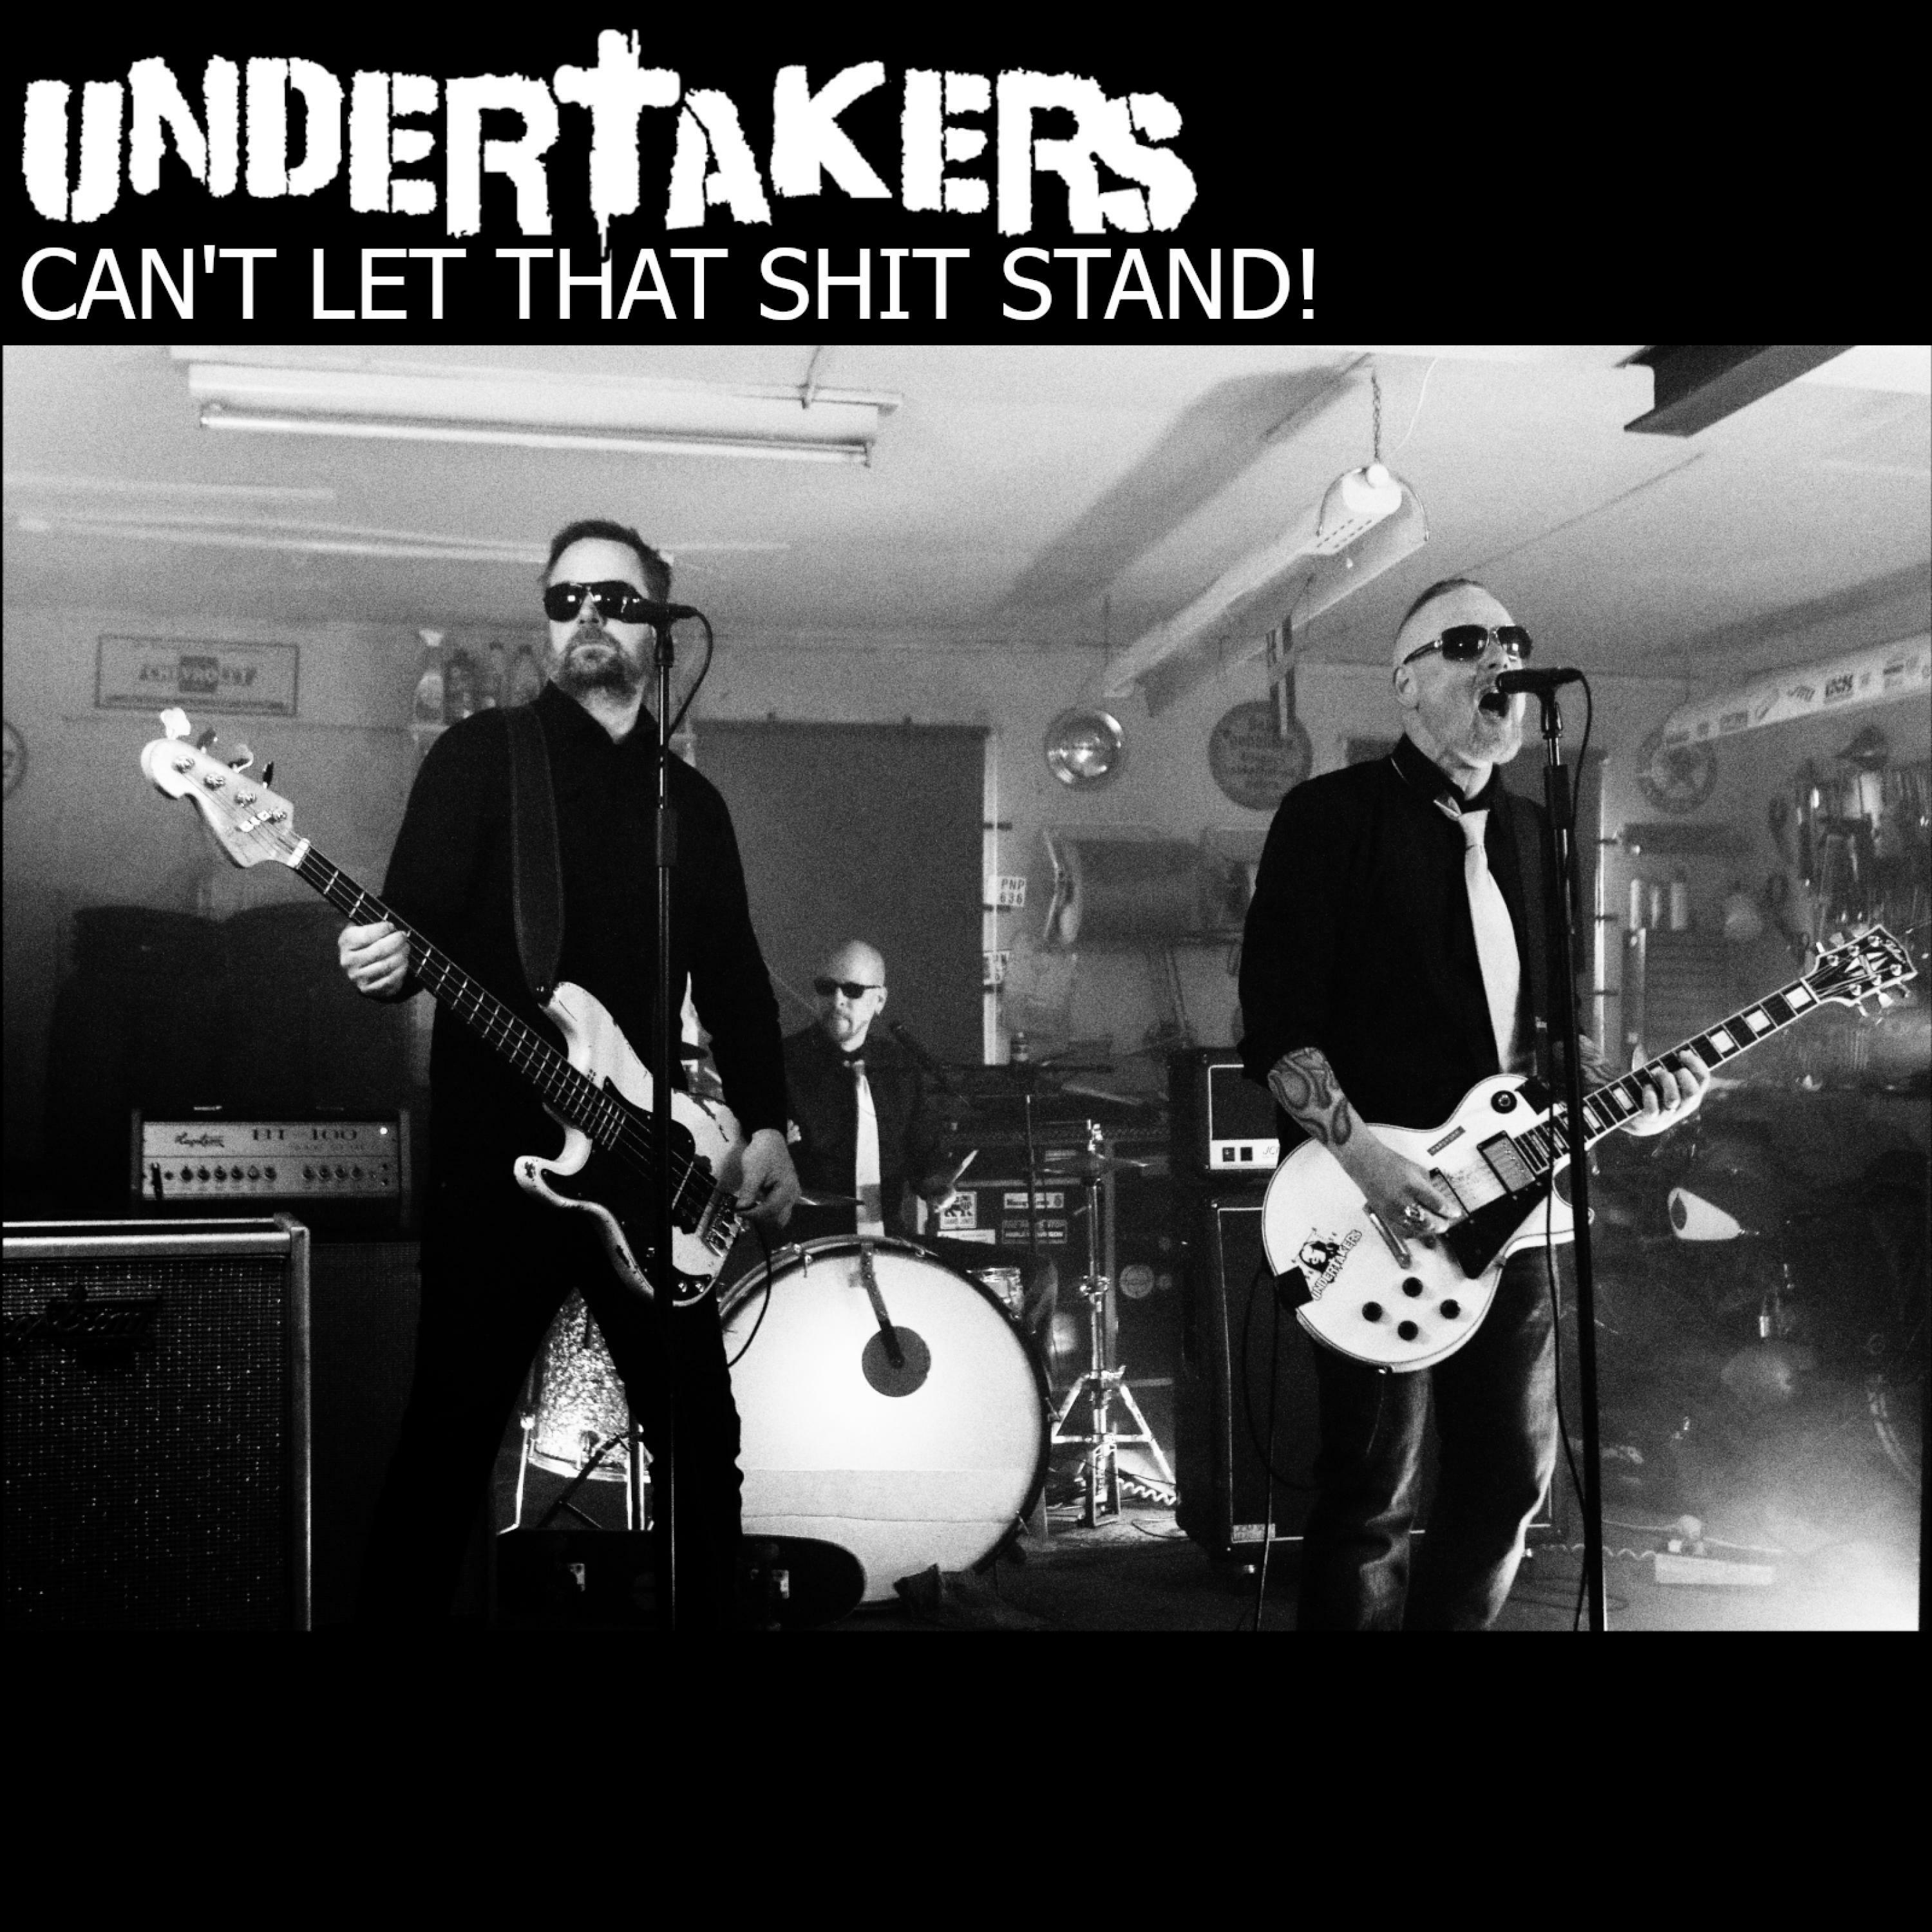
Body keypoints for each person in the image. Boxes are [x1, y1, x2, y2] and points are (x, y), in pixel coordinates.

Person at [337, 518, 799, 1628]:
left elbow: (735, 974)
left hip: (650, 1164)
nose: (585, 616)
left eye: (613, 598)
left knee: (704, 1445)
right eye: (564, 599)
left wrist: (769, 1126)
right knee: (446, 1444)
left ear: (658, 628)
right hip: (496, 1168)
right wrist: (379, 961)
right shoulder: (480, 759)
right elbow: (408, 933)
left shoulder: (688, 805)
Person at [1238, 577, 1708, 1631]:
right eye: (1465, 643)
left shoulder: (1535, 832)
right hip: (1373, 1207)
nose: (1500, 658)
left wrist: (1637, 1100)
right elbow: (1276, 1029)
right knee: (1373, 1495)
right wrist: (1370, 1163)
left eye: (1513, 641)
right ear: (1406, 685)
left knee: (1509, 1484)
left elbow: (1550, 1045)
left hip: (1519, 1203)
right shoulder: (1330, 818)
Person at [780, 940, 966, 1247]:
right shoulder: (779, 1065)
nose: (837, 1000)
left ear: (879, 1000)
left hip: (889, 1240)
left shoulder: (901, 1067)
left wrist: (938, 1187)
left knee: (1028, 1269)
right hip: (803, 1246)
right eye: (826, 988)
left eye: (852, 990)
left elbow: (923, 1157)